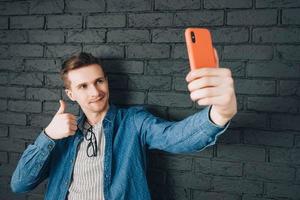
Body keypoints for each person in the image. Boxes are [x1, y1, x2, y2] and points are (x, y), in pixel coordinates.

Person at [11, 50, 237, 200]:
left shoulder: (133, 121)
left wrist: (220, 112)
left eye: (99, 81)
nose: (95, 92)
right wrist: (48, 136)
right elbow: (20, 184)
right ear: (71, 94)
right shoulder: (62, 133)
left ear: (106, 81)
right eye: (83, 86)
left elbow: (175, 137)